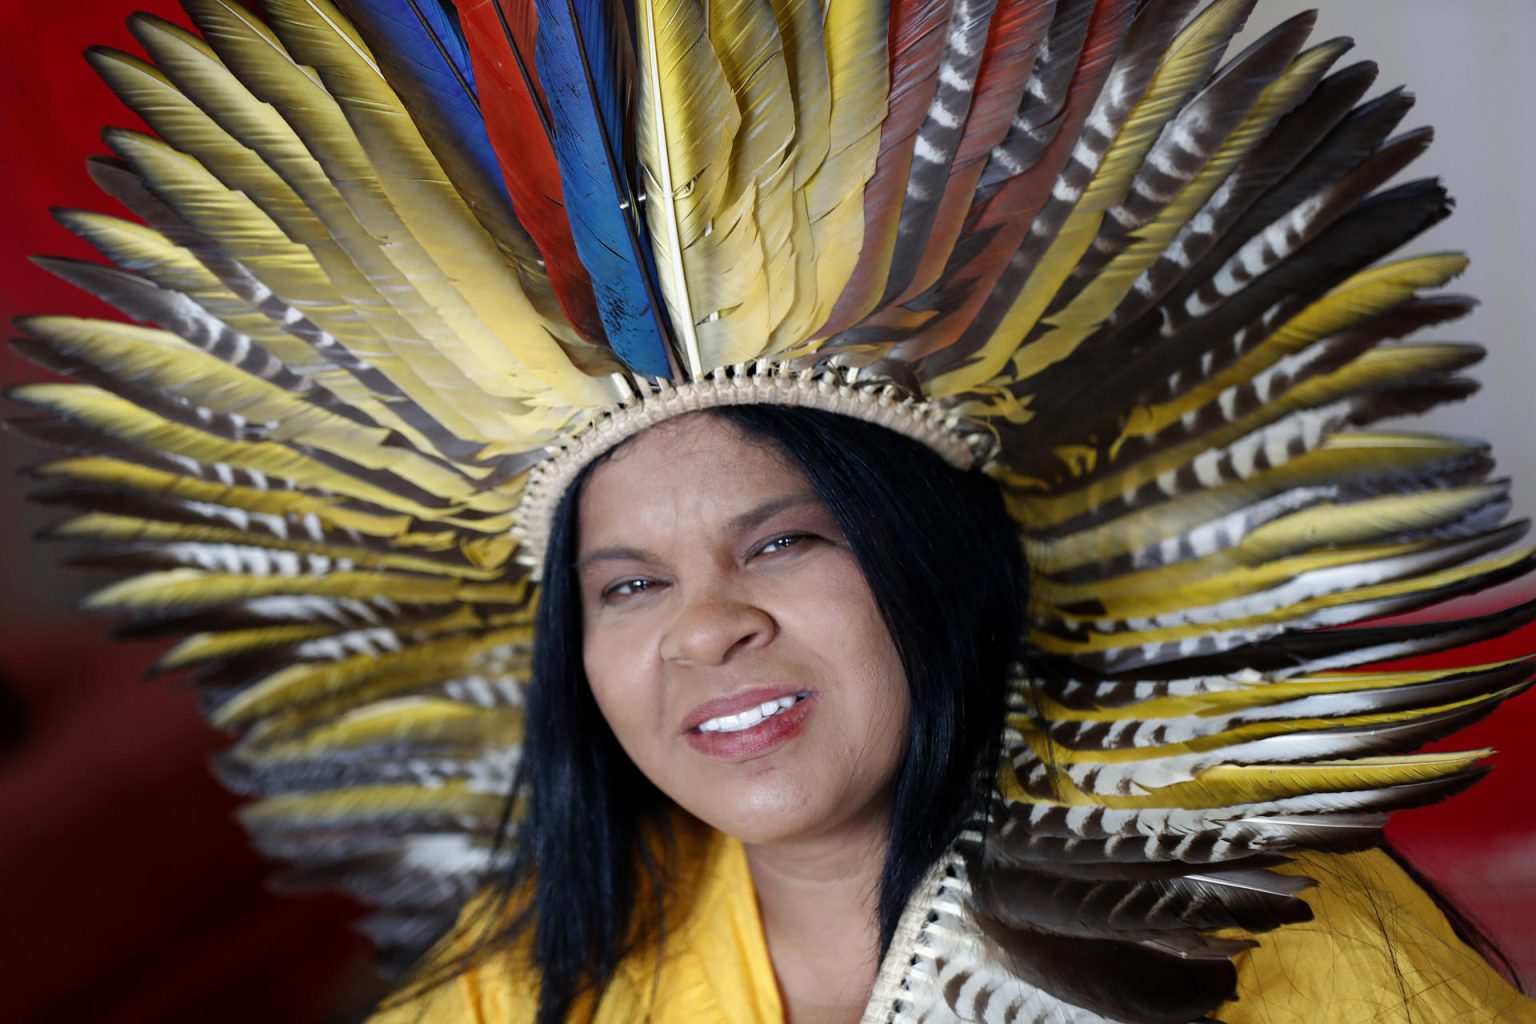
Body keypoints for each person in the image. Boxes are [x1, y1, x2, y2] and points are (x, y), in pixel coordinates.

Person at [11, 0, 1536, 1021]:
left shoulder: (1286, 939)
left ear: (935, 564)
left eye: (782, 539)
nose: (707, 628)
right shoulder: (522, 984)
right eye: (625, 587)